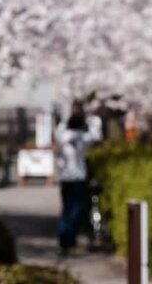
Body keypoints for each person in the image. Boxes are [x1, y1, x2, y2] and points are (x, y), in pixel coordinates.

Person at [55, 100, 102, 254]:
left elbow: (58, 132)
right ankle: (70, 239)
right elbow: (96, 136)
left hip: (65, 178)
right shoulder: (83, 137)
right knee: (77, 209)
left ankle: (64, 239)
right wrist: (91, 118)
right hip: (79, 178)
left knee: (66, 209)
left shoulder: (63, 136)